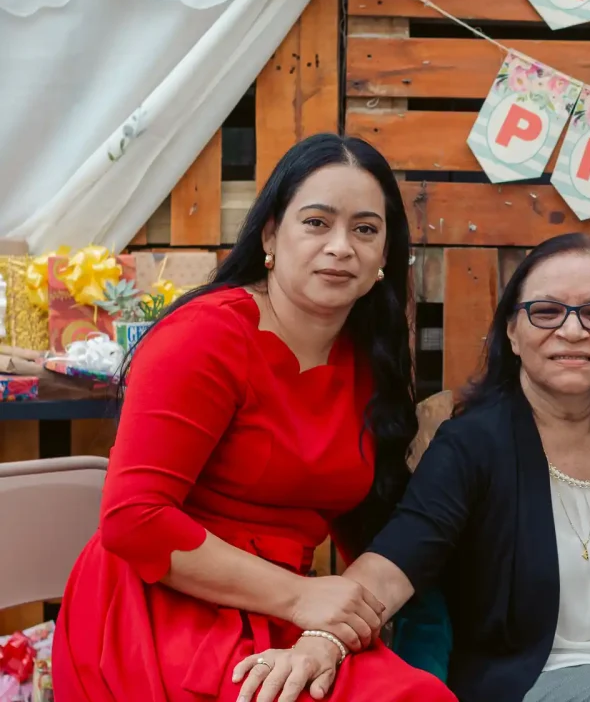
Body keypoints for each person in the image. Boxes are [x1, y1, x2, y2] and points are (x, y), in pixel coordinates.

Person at [235, 233, 590, 702]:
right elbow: (395, 561)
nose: (572, 332)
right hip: (536, 682)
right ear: (513, 334)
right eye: (546, 312)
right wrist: (319, 642)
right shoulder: (473, 444)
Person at [51, 134, 456, 702]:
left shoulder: (369, 359)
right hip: (162, 607)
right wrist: (299, 598)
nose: (341, 246)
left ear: (386, 255)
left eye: (365, 229)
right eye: (317, 222)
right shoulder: (206, 336)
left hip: (288, 611)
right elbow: (133, 518)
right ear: (271, 233)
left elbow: (366, 518)